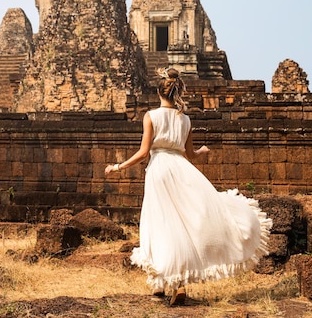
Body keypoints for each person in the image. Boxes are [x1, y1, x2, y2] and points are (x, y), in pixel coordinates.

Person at [105, 67, 272, 306]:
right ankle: (167, 282)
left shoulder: (151, 115)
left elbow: (144, 152)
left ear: (159, 92)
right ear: (176, 92)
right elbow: (190, 154)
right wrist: (202, 151)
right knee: (187, 221)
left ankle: (169, 281)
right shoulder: (185, 119)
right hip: (181, 169)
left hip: (160, 170)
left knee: (162, 224)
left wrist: (118, 166)